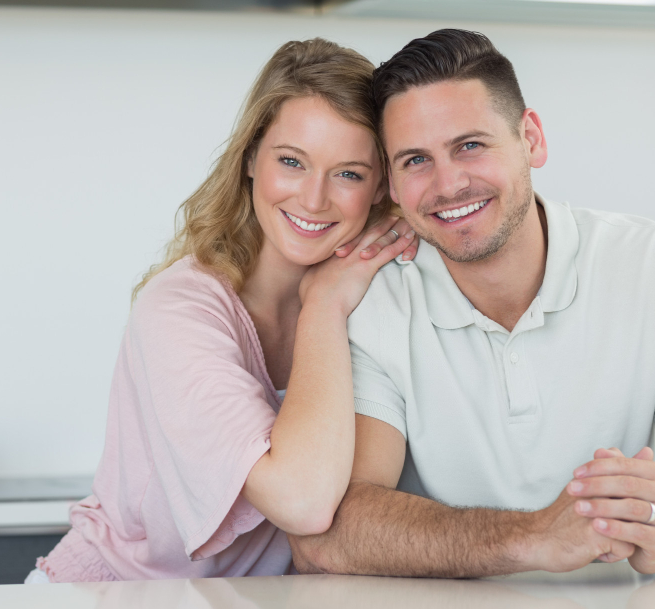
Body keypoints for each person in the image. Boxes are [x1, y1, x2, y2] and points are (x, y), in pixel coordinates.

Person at [289, 29, 655, 577]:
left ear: (531, 139)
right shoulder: (374, 295)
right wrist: (531, 538)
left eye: (470, 145)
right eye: (415, 160)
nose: (449, 183)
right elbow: (330, 531)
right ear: (390, 181)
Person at [28, 38, 418, 582]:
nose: (313, 198)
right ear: (251, 159)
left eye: (348, 173)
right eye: (291, 162)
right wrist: (323, 303)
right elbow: (303, 502)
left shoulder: (374, 291)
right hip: (112, 594)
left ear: (381, 187)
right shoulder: (179, 309)